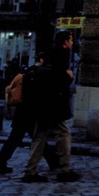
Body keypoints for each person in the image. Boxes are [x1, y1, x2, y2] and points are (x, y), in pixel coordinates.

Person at [22, 31, 79, 183]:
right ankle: (64, 169)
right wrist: (68, 76)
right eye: (71, 40)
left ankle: (30, 170)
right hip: (55, 104)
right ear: (65, 42)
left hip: (43, 103)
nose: (72, 43)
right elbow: (58, 81)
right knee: (63, 133)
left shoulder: (49, 54)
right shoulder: (63, 55)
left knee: (40, 136)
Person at [0, 63, 56, 176]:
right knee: (36, 139)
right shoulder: (41, 74)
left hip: (23, 112)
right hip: (30, 113)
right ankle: (54, 162)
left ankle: (0, 163)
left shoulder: (29, 72)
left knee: (19, 139)